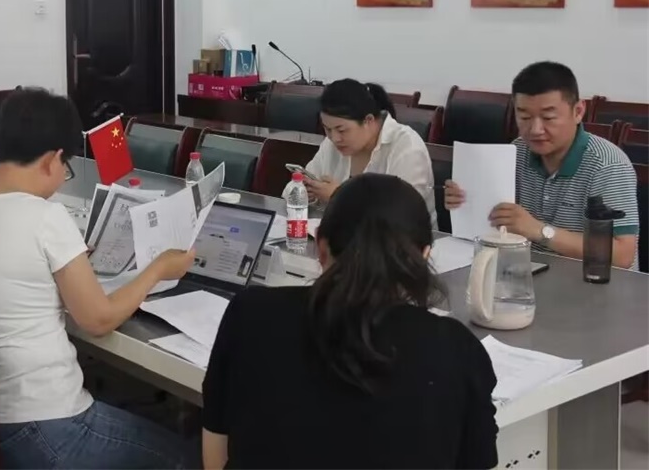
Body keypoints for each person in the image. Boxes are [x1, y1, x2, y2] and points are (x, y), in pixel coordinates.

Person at [0, 87, 195, 468]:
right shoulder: (45, 217)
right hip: (48, 429)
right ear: (52, 160)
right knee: (187, 456)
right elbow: (97, 320)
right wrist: (158, 269)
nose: (61, 179)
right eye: (66, 167)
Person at [203, 174, 498, 469]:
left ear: (320, 247)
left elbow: (215, 443)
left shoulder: (251, 313)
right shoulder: (456, 348)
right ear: (423, 256)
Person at [445, 62, 639, 269]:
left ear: (578, 111)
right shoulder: (518, 150)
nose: (535, 129)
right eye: (525, 117)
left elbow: (622, 255)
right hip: (529, 270)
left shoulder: (607, 164)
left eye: (548, 117)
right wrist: (466, 201)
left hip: (593, 279)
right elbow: (500, 223)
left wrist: (539, 230)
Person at [290, 79, 436, 226]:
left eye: (342, 130)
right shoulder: (332, 143)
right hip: (341, 233)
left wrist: (340, 198)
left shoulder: (407, 147)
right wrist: (306, 193)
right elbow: (292, 190)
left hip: (401, 237)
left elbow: (401, 215)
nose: (334, 138)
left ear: (368, 121)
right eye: (327, 129)